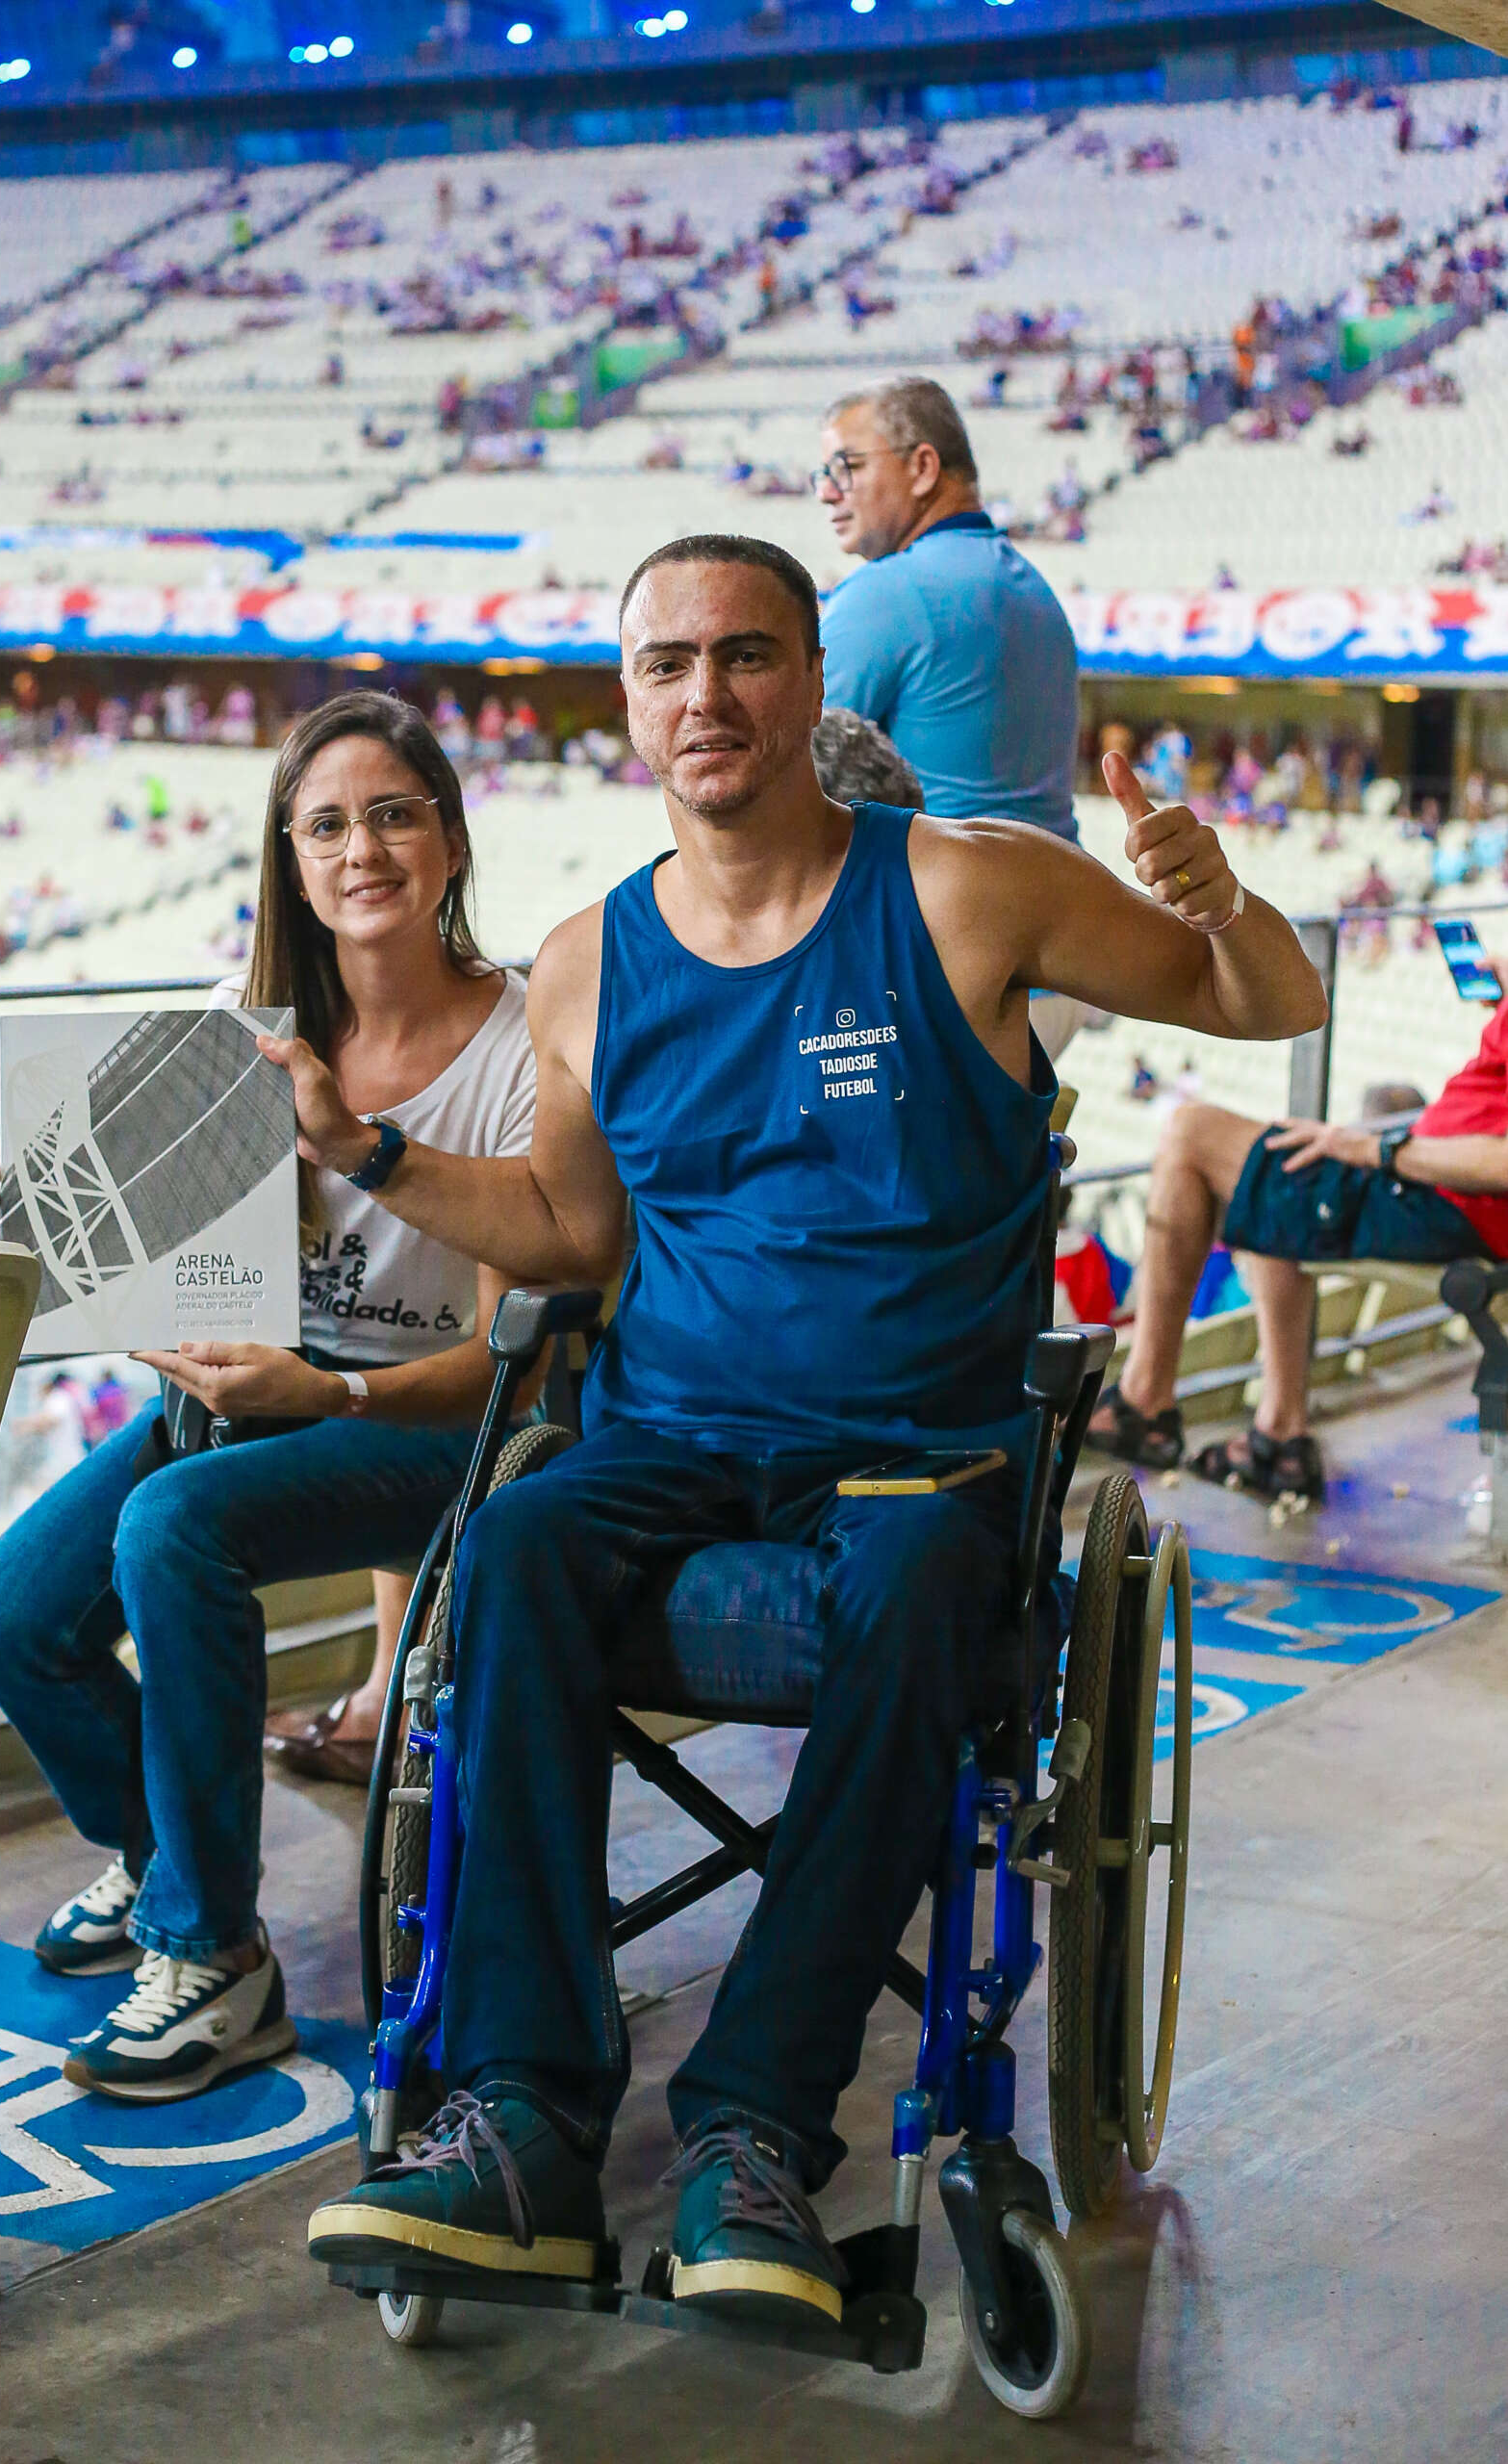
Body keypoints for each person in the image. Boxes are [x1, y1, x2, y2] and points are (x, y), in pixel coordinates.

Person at [274, 535, 1324, 2323]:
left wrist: (1218, 897)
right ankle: (522, 2111)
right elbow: (576, 1235)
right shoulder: (587, 958)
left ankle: (751, 2125)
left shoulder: (971, 888)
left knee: (922, 1575)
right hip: (674, 1436)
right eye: (667, 664)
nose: (707, 695)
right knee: (515, 1539)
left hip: (915, 1448)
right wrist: (366, 1153)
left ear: (812, 674)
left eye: (746, 655)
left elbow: (1272, 1003)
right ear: (627, 702)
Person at [0, 690, 539, 2102]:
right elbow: (178, 1277)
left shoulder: (520, 1053)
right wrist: (54, 1208)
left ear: (451, 842)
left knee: (173, 1530)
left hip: (432, 1433)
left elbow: (504, 1367)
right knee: (9, 1614)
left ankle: (217, 1956)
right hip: (266, 1405)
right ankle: (167, 1873)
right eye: (326, 824)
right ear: (290, 859)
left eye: (394, 814)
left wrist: (328, 1389)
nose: (362, 849)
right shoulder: (246, 1032)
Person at [1087, 1018, 1508, 1502]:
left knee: (1191, 1131)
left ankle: (1144, 1401)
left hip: (1447, 1201)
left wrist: (1375, 1148)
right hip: (1439, 1189)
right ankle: (1281, 1436)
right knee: (1273, 1181)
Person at [812, 376, 1087, 1058]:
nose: (826, 491)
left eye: (846, 466)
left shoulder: (886, 592)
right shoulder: (1033, 588)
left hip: (948, 971)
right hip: (1056, 970)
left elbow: (782, 776)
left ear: (923, 466)